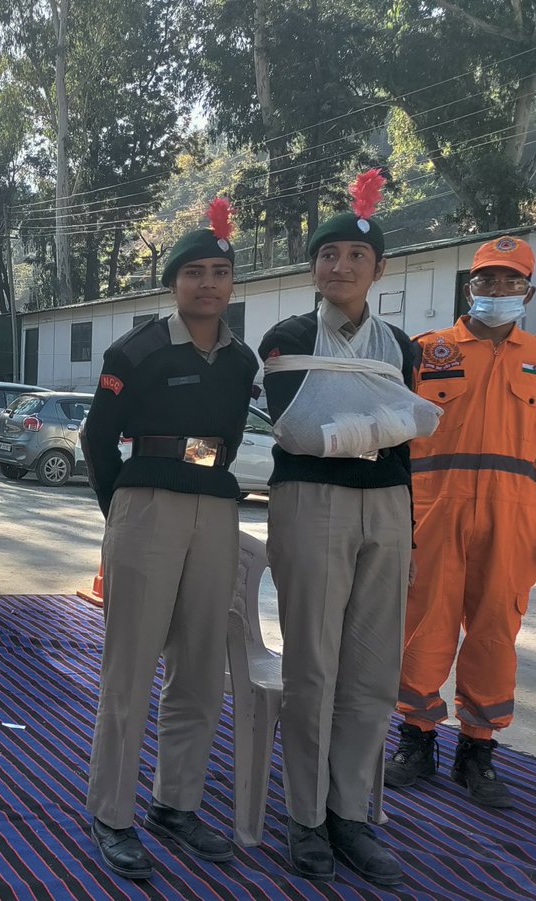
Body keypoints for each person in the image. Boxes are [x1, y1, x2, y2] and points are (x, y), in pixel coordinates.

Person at [81, 200, 258, 881]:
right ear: (173, 282)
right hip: (147, 504)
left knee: (199, 669)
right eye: (194, 273)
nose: (208, 284)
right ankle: (112, 812)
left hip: (215, 509)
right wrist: (121, 508)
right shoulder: (137, 349)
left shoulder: (242, 360)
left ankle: (176, 804)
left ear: (232, 282)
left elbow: (233, 440)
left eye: (220, 272)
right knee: (128, 668)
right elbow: (99, 437)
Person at [258, 171, 416, 887]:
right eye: (327, 255)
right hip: (312, 501)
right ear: (312, 267)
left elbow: (388, 432)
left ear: (378, 268)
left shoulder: (400, 345)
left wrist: (364, 426)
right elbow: (302, 428)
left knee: (372, 666)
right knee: (313, 665)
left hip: (387, 504)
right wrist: (373, 425)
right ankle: (306, 815)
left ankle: (351, 811)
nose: (340, 266)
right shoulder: (287, 336)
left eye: (356, 256)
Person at [386, 235, 536, 809]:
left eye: (511, 281)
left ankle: (478, 750)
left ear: (528, 290)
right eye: (488, 280)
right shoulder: (427, 351)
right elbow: (395, 440)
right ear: (470, 286)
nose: (498, 290)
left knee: (494, 631)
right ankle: (416, 737)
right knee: (423, 624)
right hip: (433, 509)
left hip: (513, 516)